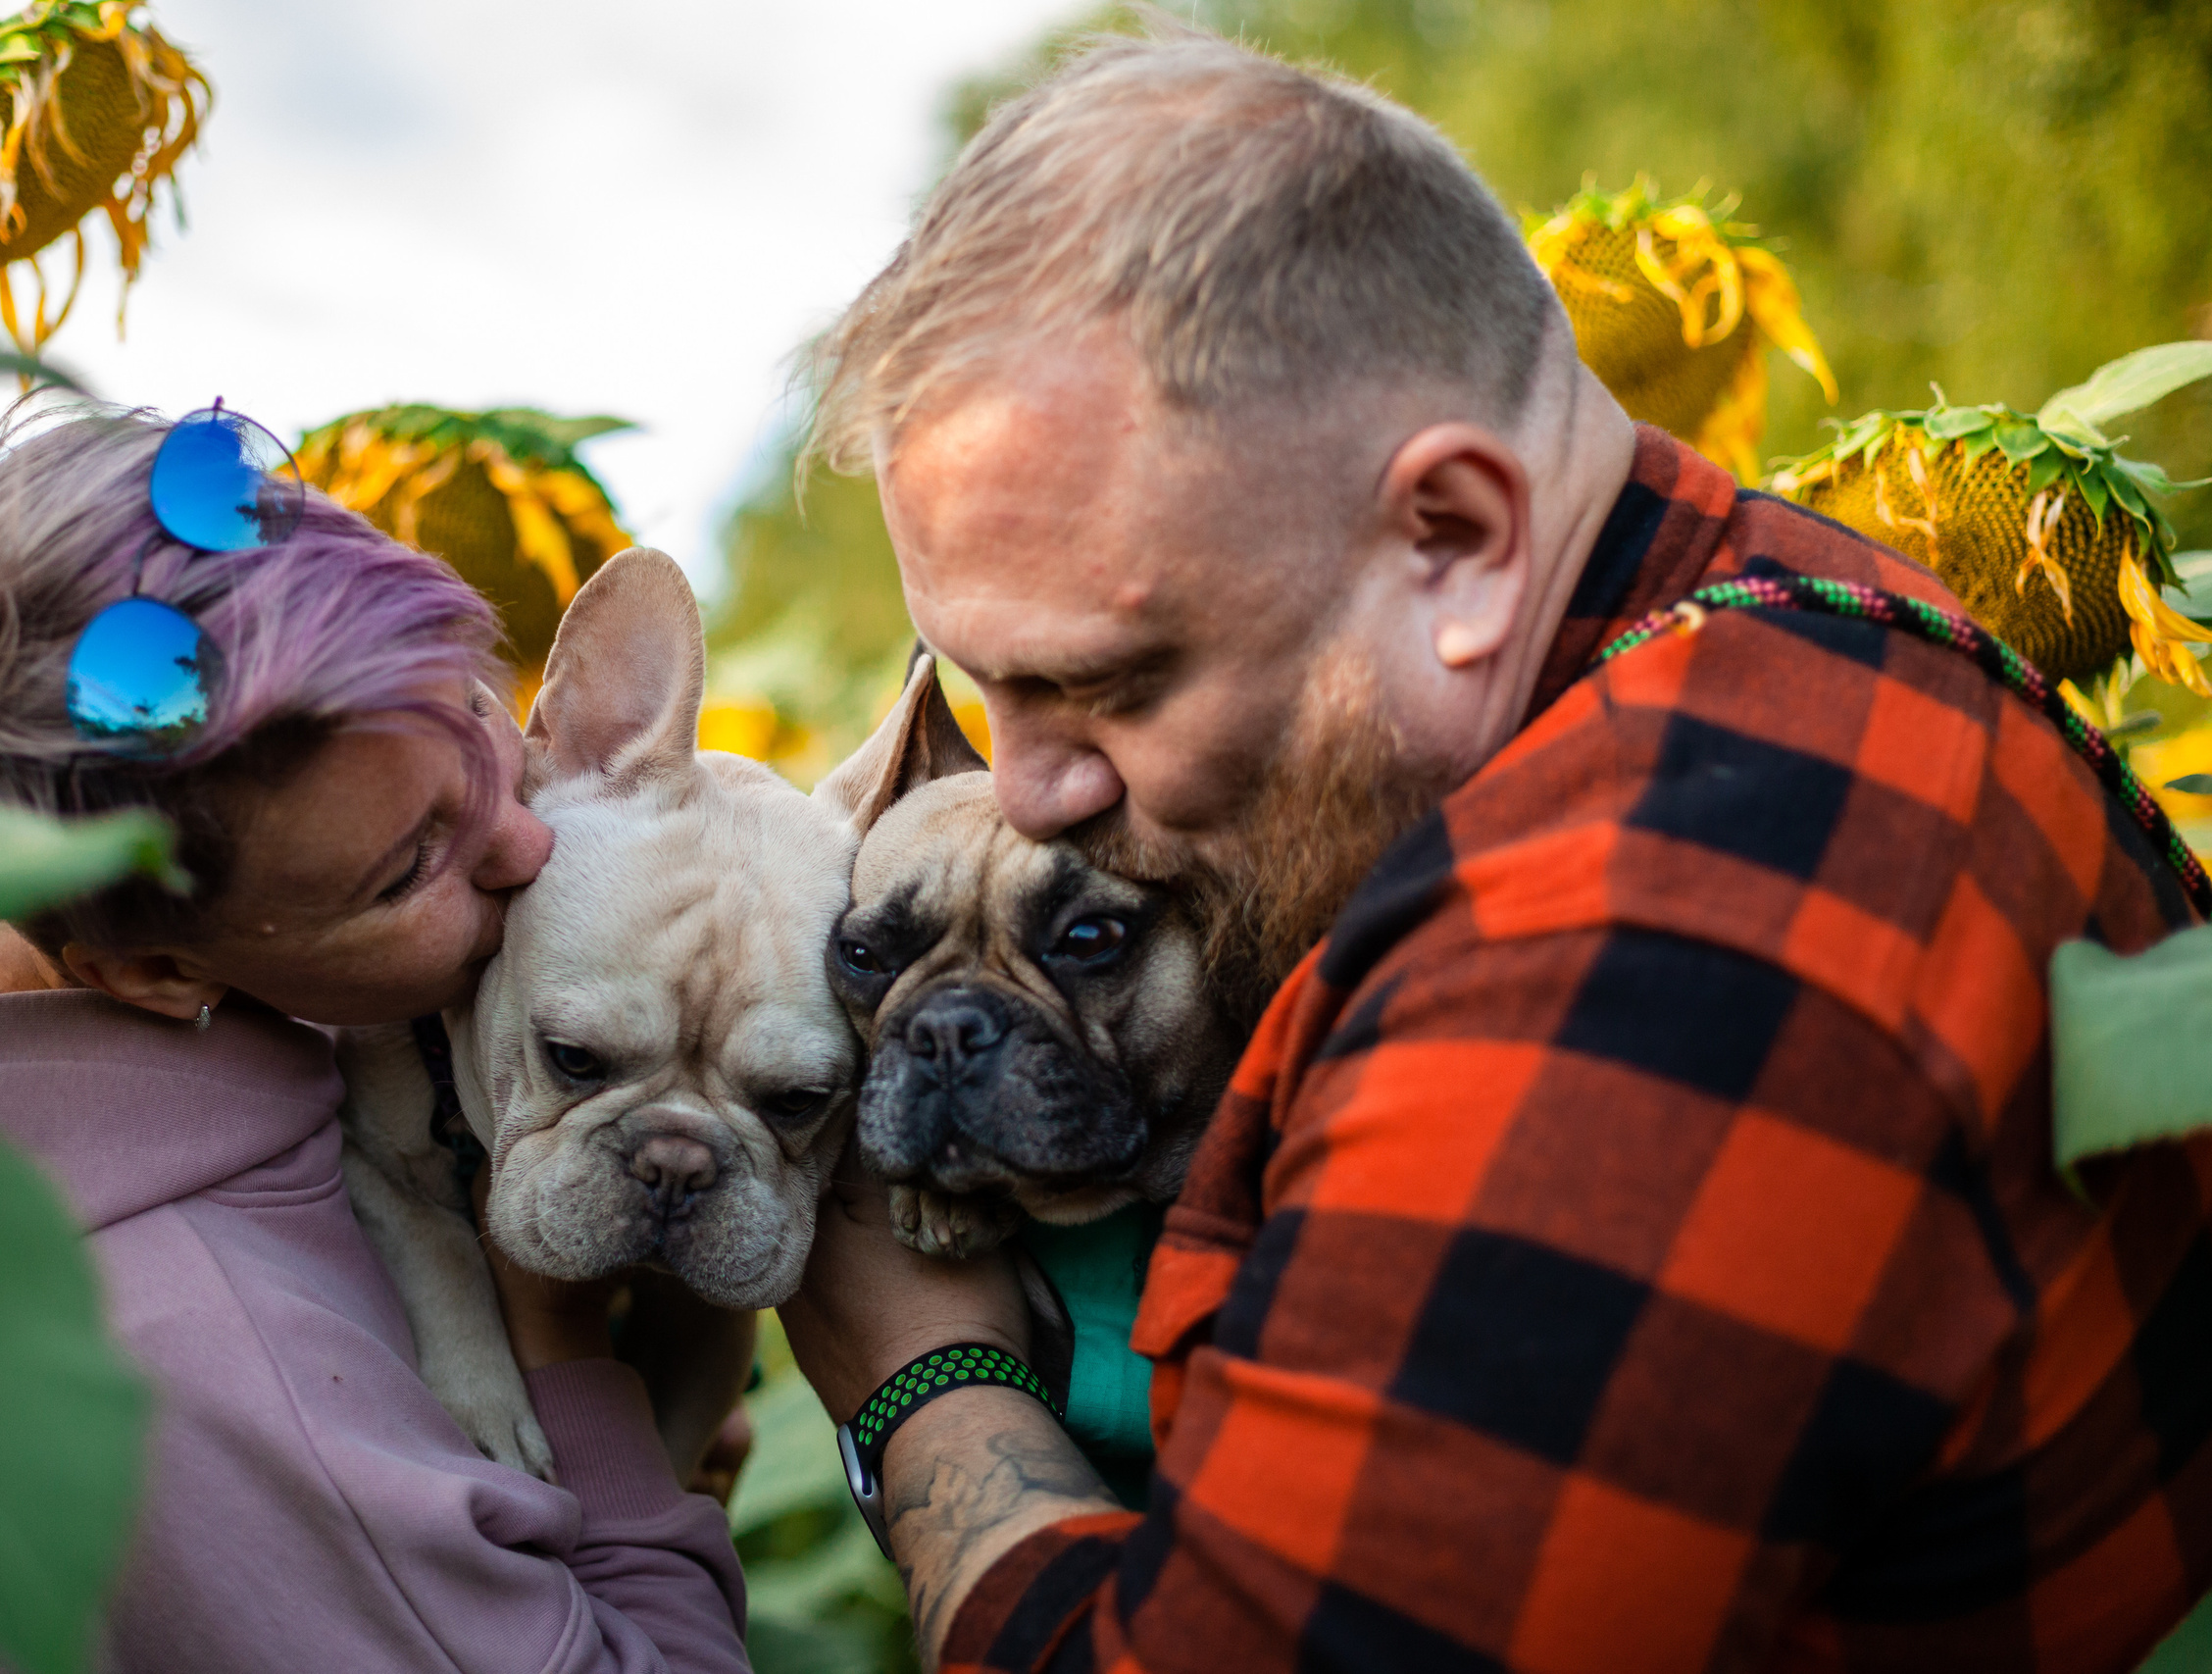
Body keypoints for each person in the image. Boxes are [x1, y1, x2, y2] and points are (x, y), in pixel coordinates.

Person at [777, 22, 2212, 1674]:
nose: (1026, 788)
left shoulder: (1631, 961)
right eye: (984, 685)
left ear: (1453, 540)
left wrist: (923, 1380)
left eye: (1105, 687)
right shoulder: (1786, 604)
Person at [0, 408, 750, 1674]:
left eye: (476, 714)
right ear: (147, 968)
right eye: (411, 867)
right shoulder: (221, 1373)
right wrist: (583, 1380)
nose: (530, 845)